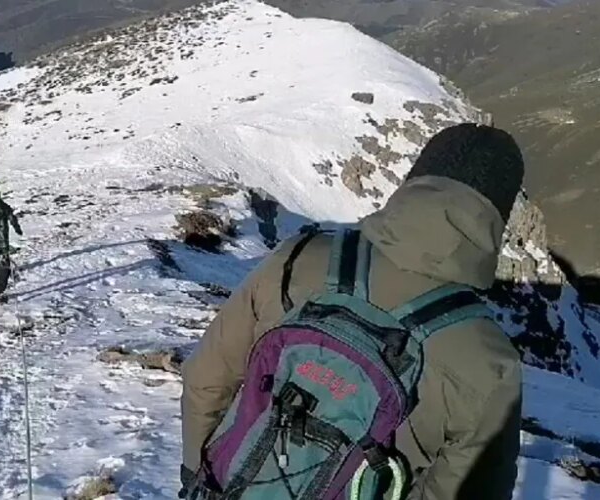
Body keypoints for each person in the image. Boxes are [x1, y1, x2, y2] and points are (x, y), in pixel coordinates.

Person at [180, 123, 524, 499]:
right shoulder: (490, 362)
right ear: (497, 221)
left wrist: (197, 475)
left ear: (414, 180)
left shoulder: (297, 259)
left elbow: (206, 377)